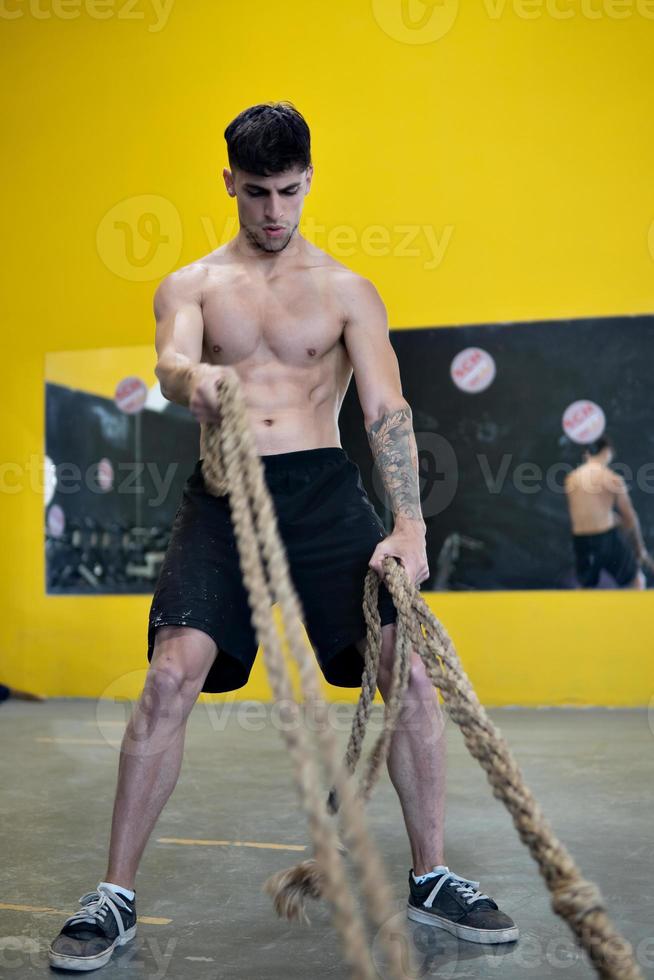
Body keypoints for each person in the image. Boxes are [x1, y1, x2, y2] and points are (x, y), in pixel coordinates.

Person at [49, 102, 518, 972]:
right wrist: (194, 380)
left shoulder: (347, 292)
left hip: (323, 491)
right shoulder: (190, 284)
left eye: (290, 191)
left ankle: (432, 875)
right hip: (223, 495)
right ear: (229, 182)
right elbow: (171, 359)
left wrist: (410, 523)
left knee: (407, 673)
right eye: (257, 191)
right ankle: (113, 892)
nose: (273, 211)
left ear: (309, 182)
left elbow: (385, 409)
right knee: (167, 677)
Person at [564, 436, 649, 589]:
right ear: (608, 452)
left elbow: (589, 512)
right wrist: (639, 547)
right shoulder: (611, 478)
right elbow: (630, 518)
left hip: (581, 540)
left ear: (587, 455)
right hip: (605, 538)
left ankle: (583, 613)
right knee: (637, 580)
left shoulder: (571, 479)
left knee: (586, 586)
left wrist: (612, 518)